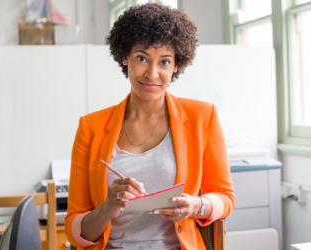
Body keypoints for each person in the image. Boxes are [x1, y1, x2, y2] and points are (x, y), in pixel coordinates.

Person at [65, 3, 235, 250]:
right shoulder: (90, 127)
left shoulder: (202, 116)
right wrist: (107, 208)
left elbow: (225, 197)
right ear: (125, 57)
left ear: (177, 64)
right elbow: (75, 232)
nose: (152, 74)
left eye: (164, 62)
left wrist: (196, 205)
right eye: (142, 58)